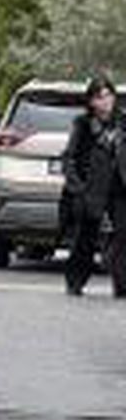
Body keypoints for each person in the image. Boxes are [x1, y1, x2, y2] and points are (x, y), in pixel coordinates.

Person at [61, 75, 123, 297]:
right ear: (91, 102)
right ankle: (75, 280)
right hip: (92, 188)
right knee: (85, 238)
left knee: (123, 236)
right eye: (99, 97)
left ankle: (122, 284)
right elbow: (69, 158)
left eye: (109, 95)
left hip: (119, 188)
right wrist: (77, 187)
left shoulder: (122, 122)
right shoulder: (83, 124)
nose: (105, 101)